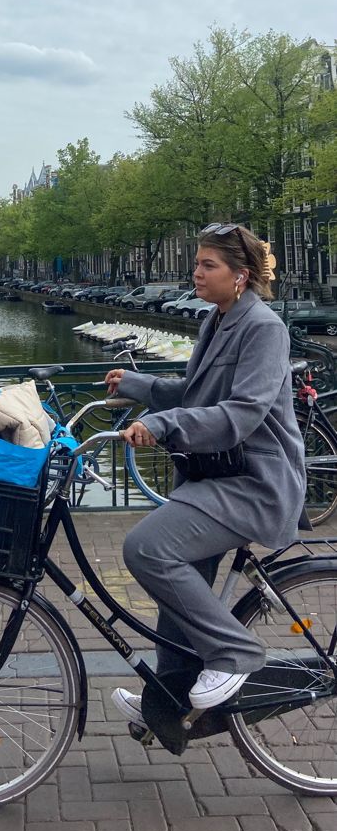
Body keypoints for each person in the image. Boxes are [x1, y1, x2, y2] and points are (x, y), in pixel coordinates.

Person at [105, 223, 307, 722]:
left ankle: (235, 652)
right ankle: (170, 695)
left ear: (240, 276)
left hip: (256, 482)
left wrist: (160, 424)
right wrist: (139, 385)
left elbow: (242, 413)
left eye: (207, 265)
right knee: (180, 581)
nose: (195, 272)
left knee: (148, 548)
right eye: (196, 262)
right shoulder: (217, 321)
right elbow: (197, 392)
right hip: (218, 477)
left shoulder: (264, 328)